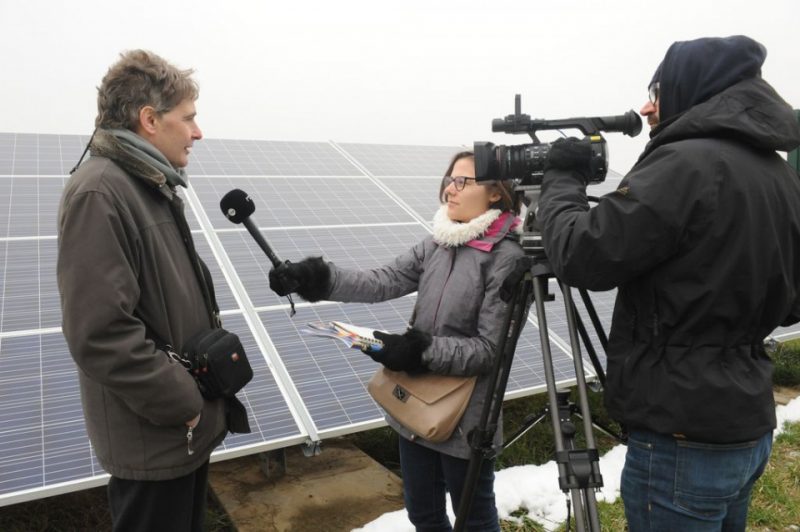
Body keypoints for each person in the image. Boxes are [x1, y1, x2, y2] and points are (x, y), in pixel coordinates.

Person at [538, 35, 800, 531]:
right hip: (745, 422)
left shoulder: (686, 163)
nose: (647, 108)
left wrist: (562, 181)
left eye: (657, 92)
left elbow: (583, 255)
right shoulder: (778, 173)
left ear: (692, 87)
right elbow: (791, 303)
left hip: (682, 431)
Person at [269, 151, 523, 531]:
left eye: (463, 182)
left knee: (473, 519)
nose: (449, 190)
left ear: (495, 194)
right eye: (450, 179)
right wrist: (315, 278)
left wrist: (419, 350)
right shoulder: (438, 243)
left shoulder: (508, 259)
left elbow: (490, 351)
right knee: (422, 514)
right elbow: (381, 281)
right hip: (416, 405)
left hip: (466, 414)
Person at [57, 50, 230, 532]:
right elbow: (101, 333)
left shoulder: (146, 183)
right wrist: (184, 403)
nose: (198, 132)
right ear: (149, 119)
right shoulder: (101, 192)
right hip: (156, 434)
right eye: (189, 118)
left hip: (177, 435)